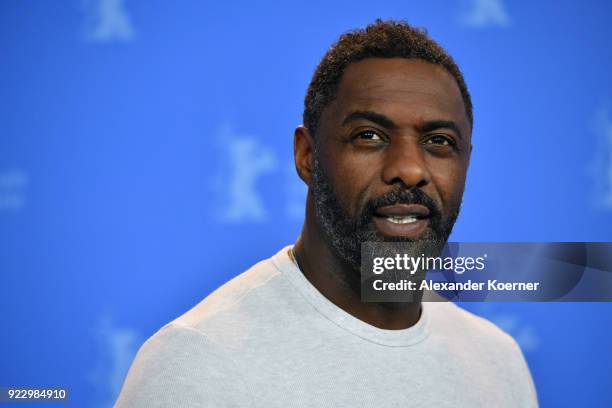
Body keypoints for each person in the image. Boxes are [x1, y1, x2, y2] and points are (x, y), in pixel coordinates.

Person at [116, 19, 538, 407]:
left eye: (439, 141)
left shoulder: (498, 360)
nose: (409, 169)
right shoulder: (197, 363)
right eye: (369, 136)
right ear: (306, 155)